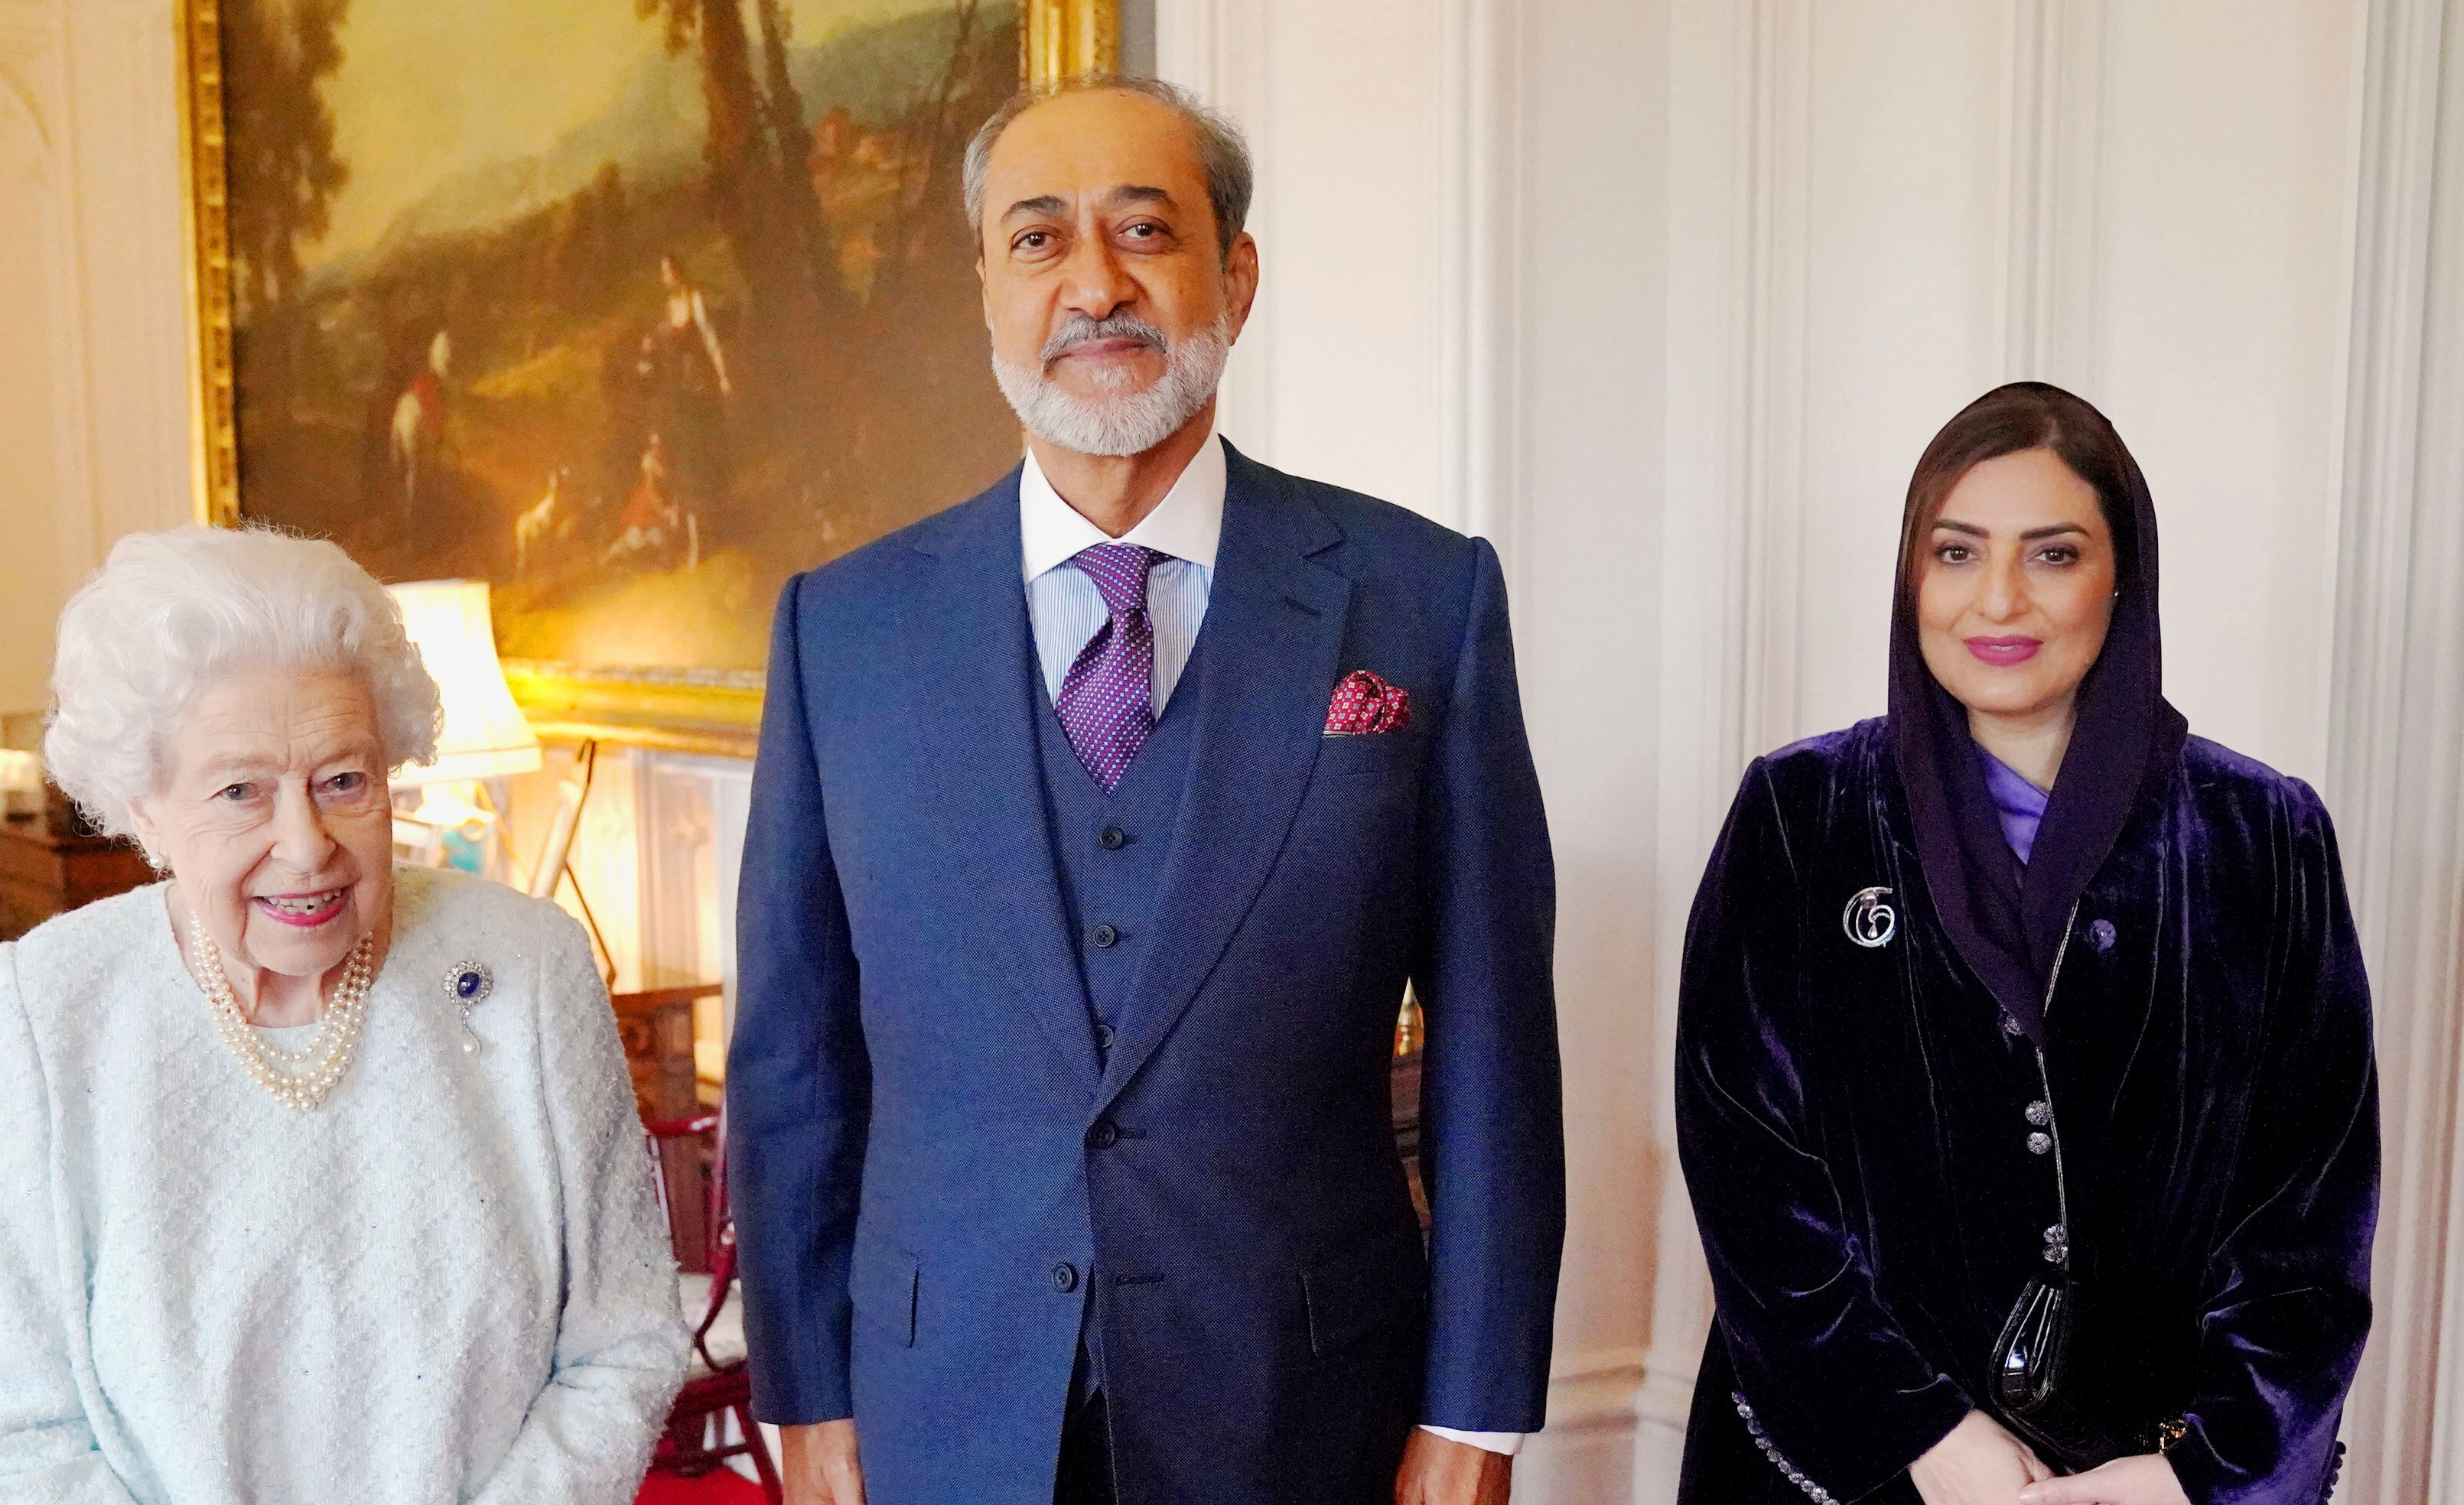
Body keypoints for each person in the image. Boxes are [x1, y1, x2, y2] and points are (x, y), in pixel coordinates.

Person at [727, 76, 1564, 1505]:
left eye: (1145, 230)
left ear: (1234, 277)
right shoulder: (842, 629)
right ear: (988, 291)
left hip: (1306, 1404)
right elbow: (794, 1055)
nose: (1094, 285)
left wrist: (1477, 1413)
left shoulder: (1423, 599)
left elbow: (1495, 1044)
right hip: (942, 1404)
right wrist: (804, 1393)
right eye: (1038, 239)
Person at [1674, 383, 2378, 1505]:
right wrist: (1924, 1435)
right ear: (1911, 577)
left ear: (2121, 578)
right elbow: (1747, 1173)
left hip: (2141, 1475)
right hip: (1849, 1471)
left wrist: (2197, 1474)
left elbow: (2309, 1213)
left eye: (2052, 555)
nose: (1997, 599)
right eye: (1956, 553)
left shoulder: (2263, 838)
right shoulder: (1800, 816)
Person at [0, 526, 688, 1504]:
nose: (306, 845)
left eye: (343, 780)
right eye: (240, 792)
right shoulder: (48, 1009)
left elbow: (623, 1340)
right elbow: (8, 1424)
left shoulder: (527, 966)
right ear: (144, 806)